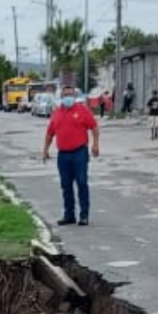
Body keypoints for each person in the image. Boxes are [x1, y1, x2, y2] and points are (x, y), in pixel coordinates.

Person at [42, 85, 100, 226]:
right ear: (61, 98)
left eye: (70, 95)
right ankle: (69, 215)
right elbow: (50, 133)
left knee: (81, 182)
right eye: (65, 95)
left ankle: (84, 215)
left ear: (74, 97)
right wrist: (45, 150)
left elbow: (94, 126)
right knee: (66, 185)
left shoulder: (82, 110)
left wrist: (95, 144)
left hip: (79, 152)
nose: (68, 97)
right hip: (63, 155)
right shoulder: (57, 113)